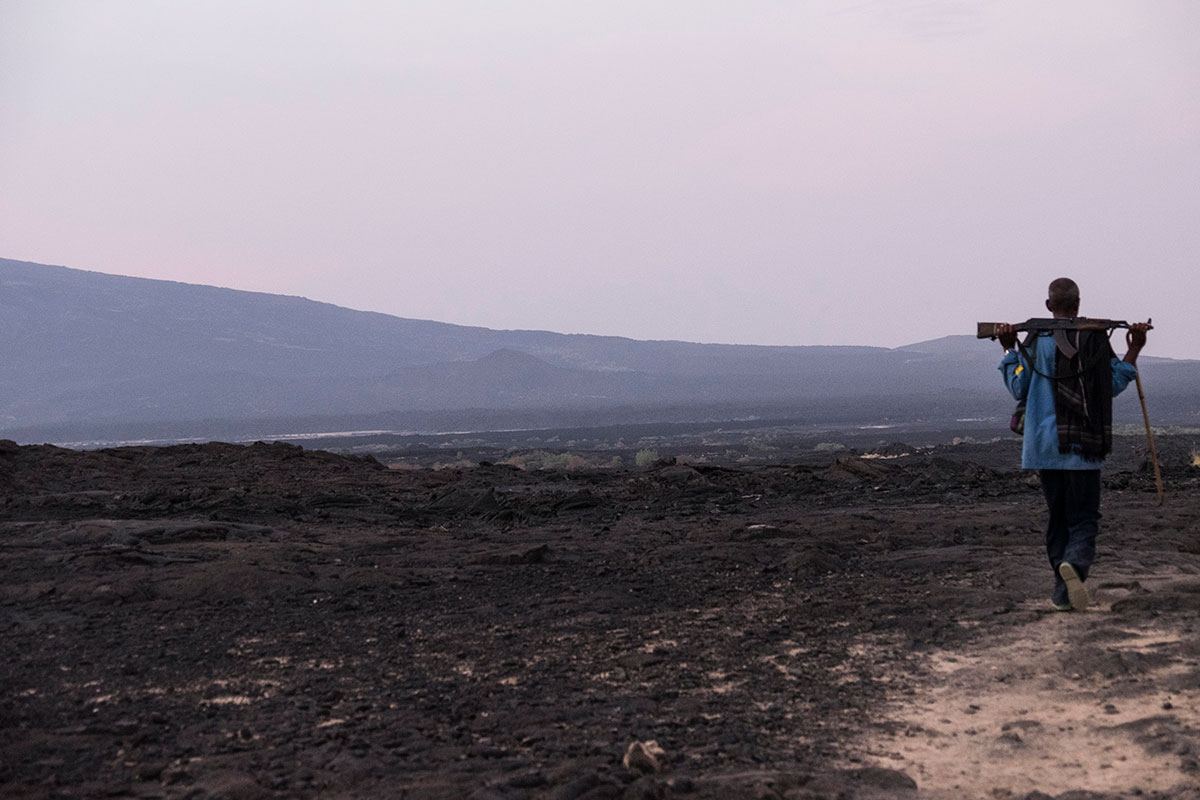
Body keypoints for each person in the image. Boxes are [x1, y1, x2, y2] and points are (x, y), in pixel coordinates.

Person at [995, 278, 1150, 611]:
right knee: (1084, 519)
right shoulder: (1094, 340)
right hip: (1083, 446)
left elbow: (1019, 387)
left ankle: (1062, 591)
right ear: (1078, 304)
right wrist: (1134, 347)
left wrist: (1009, 349)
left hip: (1043, 448)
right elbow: (1114, 383)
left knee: (1058, 519)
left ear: (1049, 305)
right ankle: (1074, 567)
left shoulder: (1034, 343)